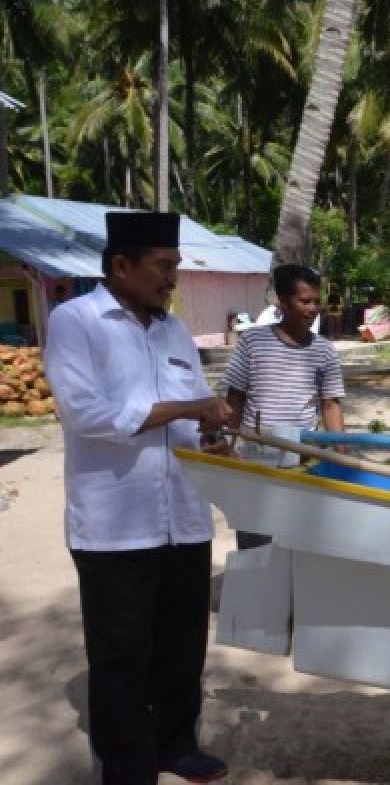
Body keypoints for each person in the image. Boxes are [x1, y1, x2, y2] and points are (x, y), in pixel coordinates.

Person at [44, 211, 232, 785]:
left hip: (184, 517)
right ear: (121, 266)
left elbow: (196, 401)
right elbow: (86, 414)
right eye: (164, 266)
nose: (172, 278)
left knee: (181, 647)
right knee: (122, 657)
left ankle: (176, 745)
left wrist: (212, 431)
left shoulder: (173, 331)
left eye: (175, 266)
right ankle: (127, 766)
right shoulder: (76, 322)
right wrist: (189, 409)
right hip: (114, 526)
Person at [221, 264, 346, 549]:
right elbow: (235, 398)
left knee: (301, 539)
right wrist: (229, 445)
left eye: (317, 301)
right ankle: (258, 590)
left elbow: (331, 405)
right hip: (256, 454)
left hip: (303, 454)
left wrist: (340, 456)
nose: (313, 308)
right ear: (282, 300)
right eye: (305, 301)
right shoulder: (253, 342)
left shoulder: (324, 350)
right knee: (256, 539)